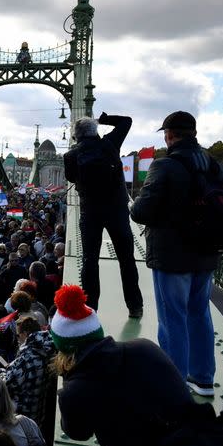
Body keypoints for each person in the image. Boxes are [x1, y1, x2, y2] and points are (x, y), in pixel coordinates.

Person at [130, 111, 223, 396]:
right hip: (208, 252)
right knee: (199, 315)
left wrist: (135, 204)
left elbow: (141, 212)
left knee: (172, 318)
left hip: (173, 256)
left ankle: (173, 382)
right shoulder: (216, 166)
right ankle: (203, 378)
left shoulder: (165, 166)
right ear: (194, 133)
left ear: (169, 135)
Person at [51, 284, 204, 446]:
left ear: (62, 348)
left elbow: (78, 433)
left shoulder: (74, 393)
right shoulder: (145, 348)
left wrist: (69, 379)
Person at [64, 112, 142, 316]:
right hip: (117, 210)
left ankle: (91, 308)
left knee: (90, 260)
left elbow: (71, 177)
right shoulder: (110, 143)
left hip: (90, 213)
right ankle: (135, 306)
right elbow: (127, 120)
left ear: (75, 136)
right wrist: (101, 120)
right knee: (127, 259)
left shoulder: (71, 156)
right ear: (95, 131)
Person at [1, 316, 55, 427]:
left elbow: (6, 384)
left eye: (17, 335)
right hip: (38, 412)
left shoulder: (27, 357)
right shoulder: (48, 349)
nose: (17, 339)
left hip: (22, 415)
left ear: (25, 334)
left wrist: (1, 371)